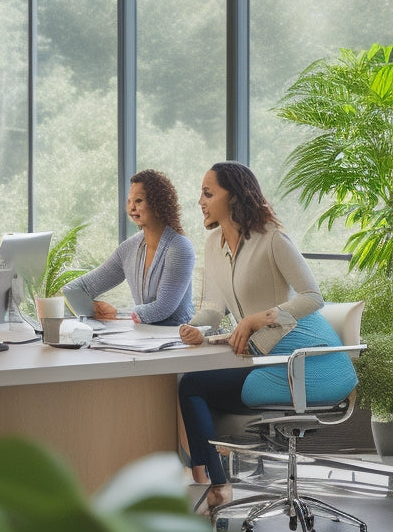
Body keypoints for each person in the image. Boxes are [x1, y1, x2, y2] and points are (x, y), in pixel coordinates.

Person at [178, 161, 358, 504]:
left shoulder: (272, 238)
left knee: (193, 385)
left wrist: (261, 318)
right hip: (260, 357)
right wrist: (194, 329)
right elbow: (214, 310)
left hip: (301, 358)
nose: (200, 201)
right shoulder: (214, 244)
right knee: (191, 382)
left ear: (233, 197)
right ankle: (217, 482)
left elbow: (312, 297)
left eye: (208, 193)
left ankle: (218, 486)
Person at [63, 169, 195, 326]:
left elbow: (162, 309)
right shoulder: (128, 249)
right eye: (129, 201)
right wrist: (92, 308)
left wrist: (119, 315)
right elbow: (75, 289)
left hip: (179, 341)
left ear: (158, 203)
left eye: (138, 201)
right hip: (141, 339)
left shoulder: (180, 247)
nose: (132, 207)